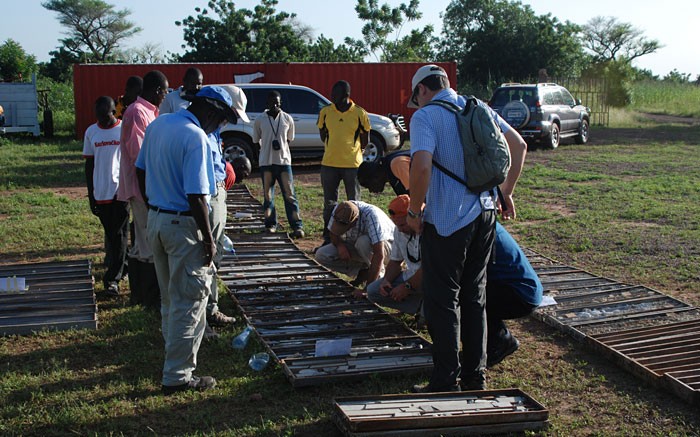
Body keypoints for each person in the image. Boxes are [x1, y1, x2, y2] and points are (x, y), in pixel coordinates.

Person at [406, 64, 528, 392]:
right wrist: (507, 192)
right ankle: (475, 377)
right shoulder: (477, 105)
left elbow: (420, 166)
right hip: (486, 213)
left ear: (421, 91)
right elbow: (517, 145)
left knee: (442, 299)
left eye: (415, 97)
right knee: (475, 296)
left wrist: (415, 211)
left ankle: (446, 380)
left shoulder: (425, 116)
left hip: (448, 219)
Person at [134, 85, 245, 394]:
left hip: (157, 220)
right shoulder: (194, 136)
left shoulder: (159, 124)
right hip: (183, 226)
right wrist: (209, 240)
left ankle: (174, 357)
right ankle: (178, 376)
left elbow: (140, 170)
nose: (219, 127)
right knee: (189, 303)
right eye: (221, 121)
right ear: (210, 112)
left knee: (170, 298)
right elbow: (197, 195)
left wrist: (154, 202)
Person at [367, 197, 542, 367]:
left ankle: (497, 343)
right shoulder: (467, 221)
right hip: (502, 285)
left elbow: (441, 268)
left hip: (518, 292)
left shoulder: (462, 227)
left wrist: (410, 287)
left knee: (466, 301)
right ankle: (485, 344)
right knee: (459, 297)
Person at [117, 70, 169, 309]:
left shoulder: (148, 112)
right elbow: (141, 157)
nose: (165, 96)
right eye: (165, 91)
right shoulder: (138, 112)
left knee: (141, 242)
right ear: (157, 91)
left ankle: (139, 295)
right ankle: (150, 298)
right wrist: (150, 193)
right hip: (143, 188)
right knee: (148, 243)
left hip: (144, 187)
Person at [82, 96, 129, 296]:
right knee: (113, 234)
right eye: (98, 115)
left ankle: (113, 280)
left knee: (119, 234)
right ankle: (124, 267)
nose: (101, 119)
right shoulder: (91, 132)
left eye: (105, 115)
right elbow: (89, 165)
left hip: (120, 190)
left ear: (113, 112)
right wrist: (91, 195)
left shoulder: (123, 130)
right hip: (100, 192)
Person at [316, 80, 371, 246]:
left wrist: (352, 151)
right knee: (329, 203)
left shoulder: (360, 113)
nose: (332, 96)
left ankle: (354, 237)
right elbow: (322, 133)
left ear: (346, 95)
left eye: (335, 93)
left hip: (352, 166)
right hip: (329, 164)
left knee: (354, 203)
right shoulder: (326, 112)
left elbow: (365, 139)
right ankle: (328, 238)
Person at [253, 90, 304, 238]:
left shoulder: (287, 119)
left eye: (277, 102)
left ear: (281, 103)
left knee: (289, 195)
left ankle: (296, 226)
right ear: (266, 103)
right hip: (266, 163)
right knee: (268, 196)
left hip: (283, 162)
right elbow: (256, 142)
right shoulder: (260, 120)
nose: (274, 104)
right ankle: (270, 224)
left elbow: (289, 139)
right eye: (271, 102)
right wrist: (260, 158)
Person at [315, 200, 394, 287]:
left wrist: (367, 289)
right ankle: (363, 272)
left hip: (389, 249)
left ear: (355, 221)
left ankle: (378, 281)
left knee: (363, 242)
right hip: (361, 247)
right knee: (322, 254)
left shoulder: (372, 216)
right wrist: (340, 246)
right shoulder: (340, 209)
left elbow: (379, 254)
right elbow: (333, 233)